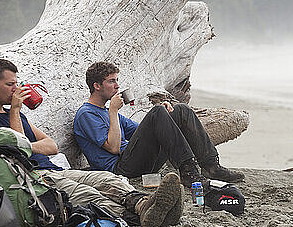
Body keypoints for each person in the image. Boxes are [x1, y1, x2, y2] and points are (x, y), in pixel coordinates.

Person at [0, 58, 182, 227]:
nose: (15, 90)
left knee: (106, 179)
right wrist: (17, 113)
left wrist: (27, 141)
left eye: (16, 84)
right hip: (32, 177)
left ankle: (145, 204)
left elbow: (52, 146)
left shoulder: (16, 117)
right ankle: (136, 217)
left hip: (53, 169)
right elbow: (17, 151)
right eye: (10, 85)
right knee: (84, 193)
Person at [73, 61, 244, 188]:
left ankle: (211, 166)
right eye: (111, 81)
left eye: (117, 80)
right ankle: (189, 171)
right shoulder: (87, 114)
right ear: (97, 86)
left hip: (138, 161)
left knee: (181, 110)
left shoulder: (105, 110)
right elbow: (113, 148)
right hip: (119, 168)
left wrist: (164, 115)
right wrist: (113, 112)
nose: (117, 86)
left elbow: (141, 132)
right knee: (157, 113)